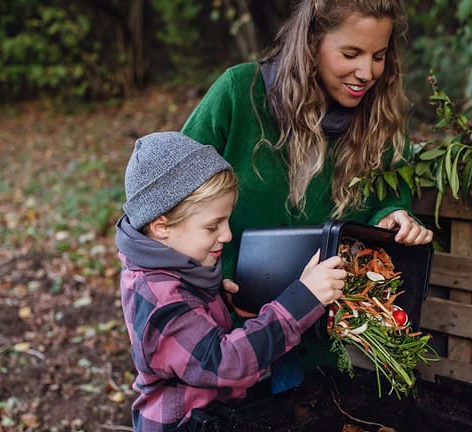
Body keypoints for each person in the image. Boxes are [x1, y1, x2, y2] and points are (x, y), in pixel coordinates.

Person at [180, 0, 433, 391]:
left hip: (317, 348)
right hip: (222, 341)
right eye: (351, 54)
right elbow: (172, 197)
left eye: (378, 56)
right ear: (312, 42)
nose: (366, 72)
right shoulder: (238, 94)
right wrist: (214, 277)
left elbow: (387, 200)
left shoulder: (380, 120)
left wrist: (392, 218)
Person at [115, 131, 347, 430]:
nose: (226, 235)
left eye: (226, 221)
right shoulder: (160, 298)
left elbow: (191, 320)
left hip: (218, 415)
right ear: (162, 227)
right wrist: (303, 299)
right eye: (212, 226)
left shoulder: (171, 263)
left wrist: (214, 300)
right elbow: (226, 362)